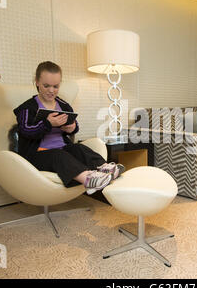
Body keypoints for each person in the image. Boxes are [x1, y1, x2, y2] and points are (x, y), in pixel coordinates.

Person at [13, 61, 124, 194]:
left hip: (62, 149)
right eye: (46, 85)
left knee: (78, 148)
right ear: (37, 82)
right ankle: (88, 180)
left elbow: (74, 125)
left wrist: (72, 128)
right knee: (57, 155)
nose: (51, 90)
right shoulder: (27, 108)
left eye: (56, 86)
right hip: (36, 155)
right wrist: (48, 124)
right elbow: (25, 131)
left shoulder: (64, 106)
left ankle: (103, 167)